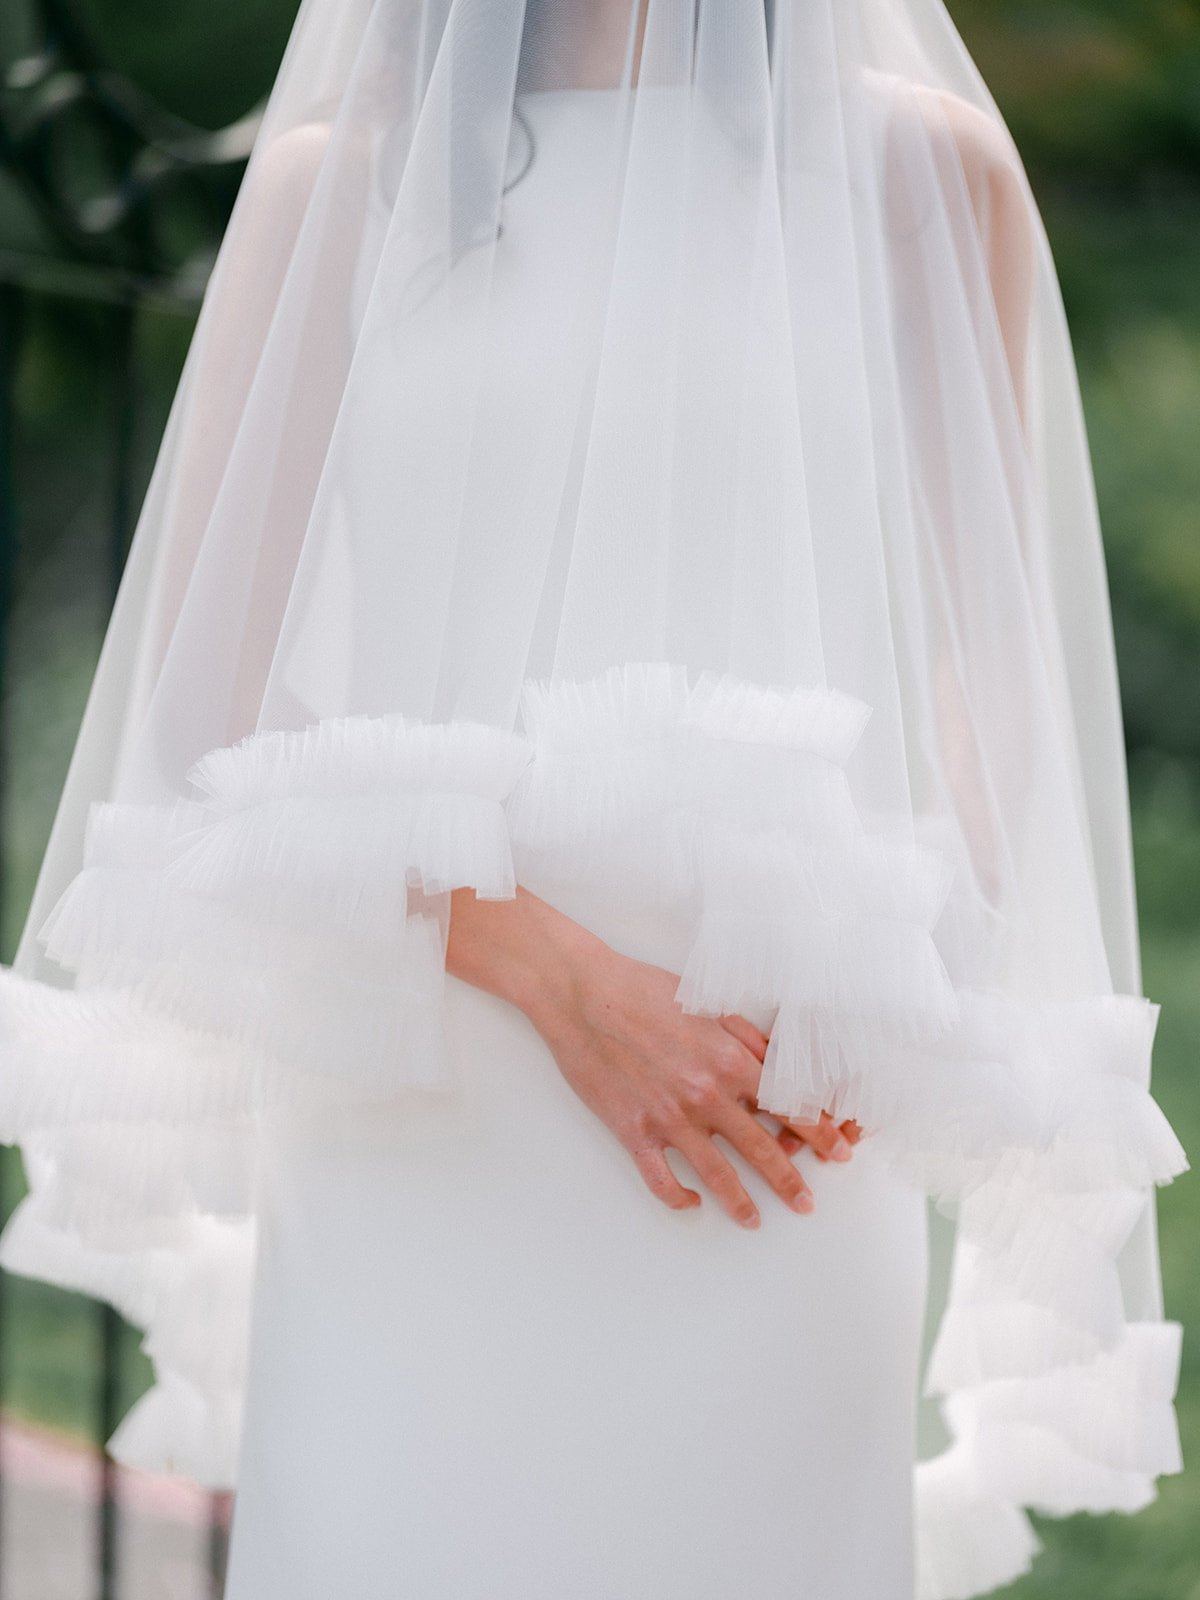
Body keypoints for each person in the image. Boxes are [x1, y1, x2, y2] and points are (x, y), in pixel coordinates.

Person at [0, 1, 1186, 1596]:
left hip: (771, 1125)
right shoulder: (338, 186)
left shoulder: (924, 171)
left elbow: (995, 679)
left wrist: (889, 990)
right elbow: (214, 712)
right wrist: (548, 971)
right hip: (425, 1091)